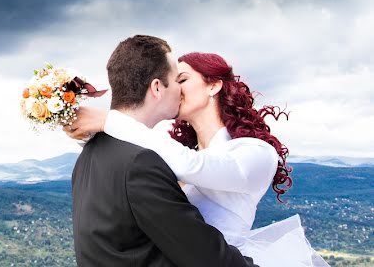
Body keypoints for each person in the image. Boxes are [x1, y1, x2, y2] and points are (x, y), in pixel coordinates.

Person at [66, 51, 329, 266]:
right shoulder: (182, 153)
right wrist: (87, 135)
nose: (174, 90)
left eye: (181, 80)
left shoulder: (255, 153)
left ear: (214, 85)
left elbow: (192, 167)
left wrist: (110, 121)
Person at [69, 35, 256, 266]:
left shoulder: (88, 155)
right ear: (157, 87)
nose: (180, 89)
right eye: (177, 80)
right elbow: (204, 255)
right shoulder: (140, 163)